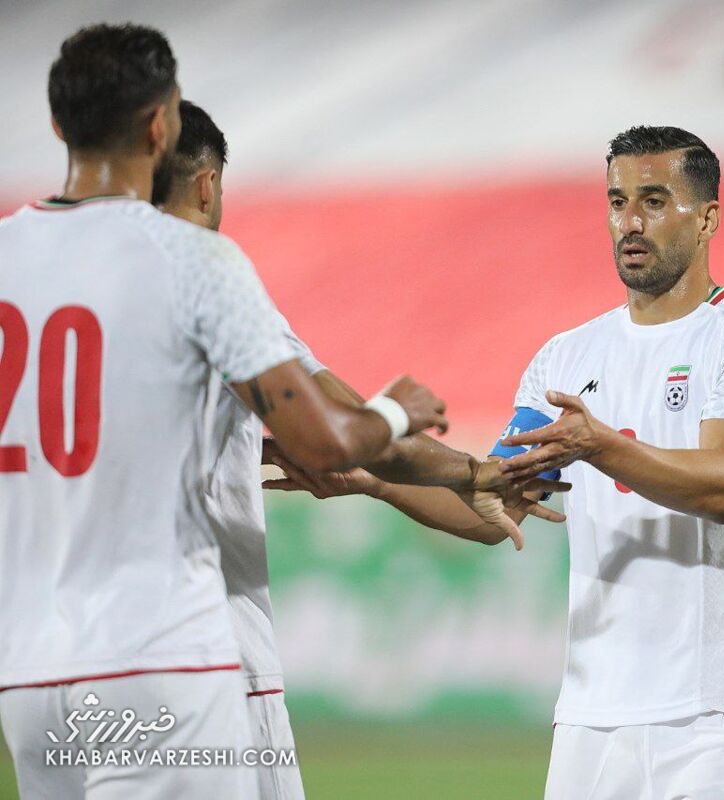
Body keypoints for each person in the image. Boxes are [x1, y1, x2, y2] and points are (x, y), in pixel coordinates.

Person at [0, 24, 486, 799]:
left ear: (58, 125)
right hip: (159, 655)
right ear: (161, 127)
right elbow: (327, 442)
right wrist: (395, 412)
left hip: (30, 671)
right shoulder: (189, 260)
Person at [151, 99, 569, 799]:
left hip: (62, 661)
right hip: (200, 653)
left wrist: (255, 458)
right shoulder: (204, 275)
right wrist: (406, 428)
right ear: (206, 184)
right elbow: (333, 424)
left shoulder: (50, 277)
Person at [492, 126, 724, 799]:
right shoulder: (565, 358)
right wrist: (376, 472)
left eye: (655, 201)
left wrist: (600, 446)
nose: (629, 222)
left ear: (708, 219)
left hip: (716, 714)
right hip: (591, 714)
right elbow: (497, 504)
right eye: (616, 201)